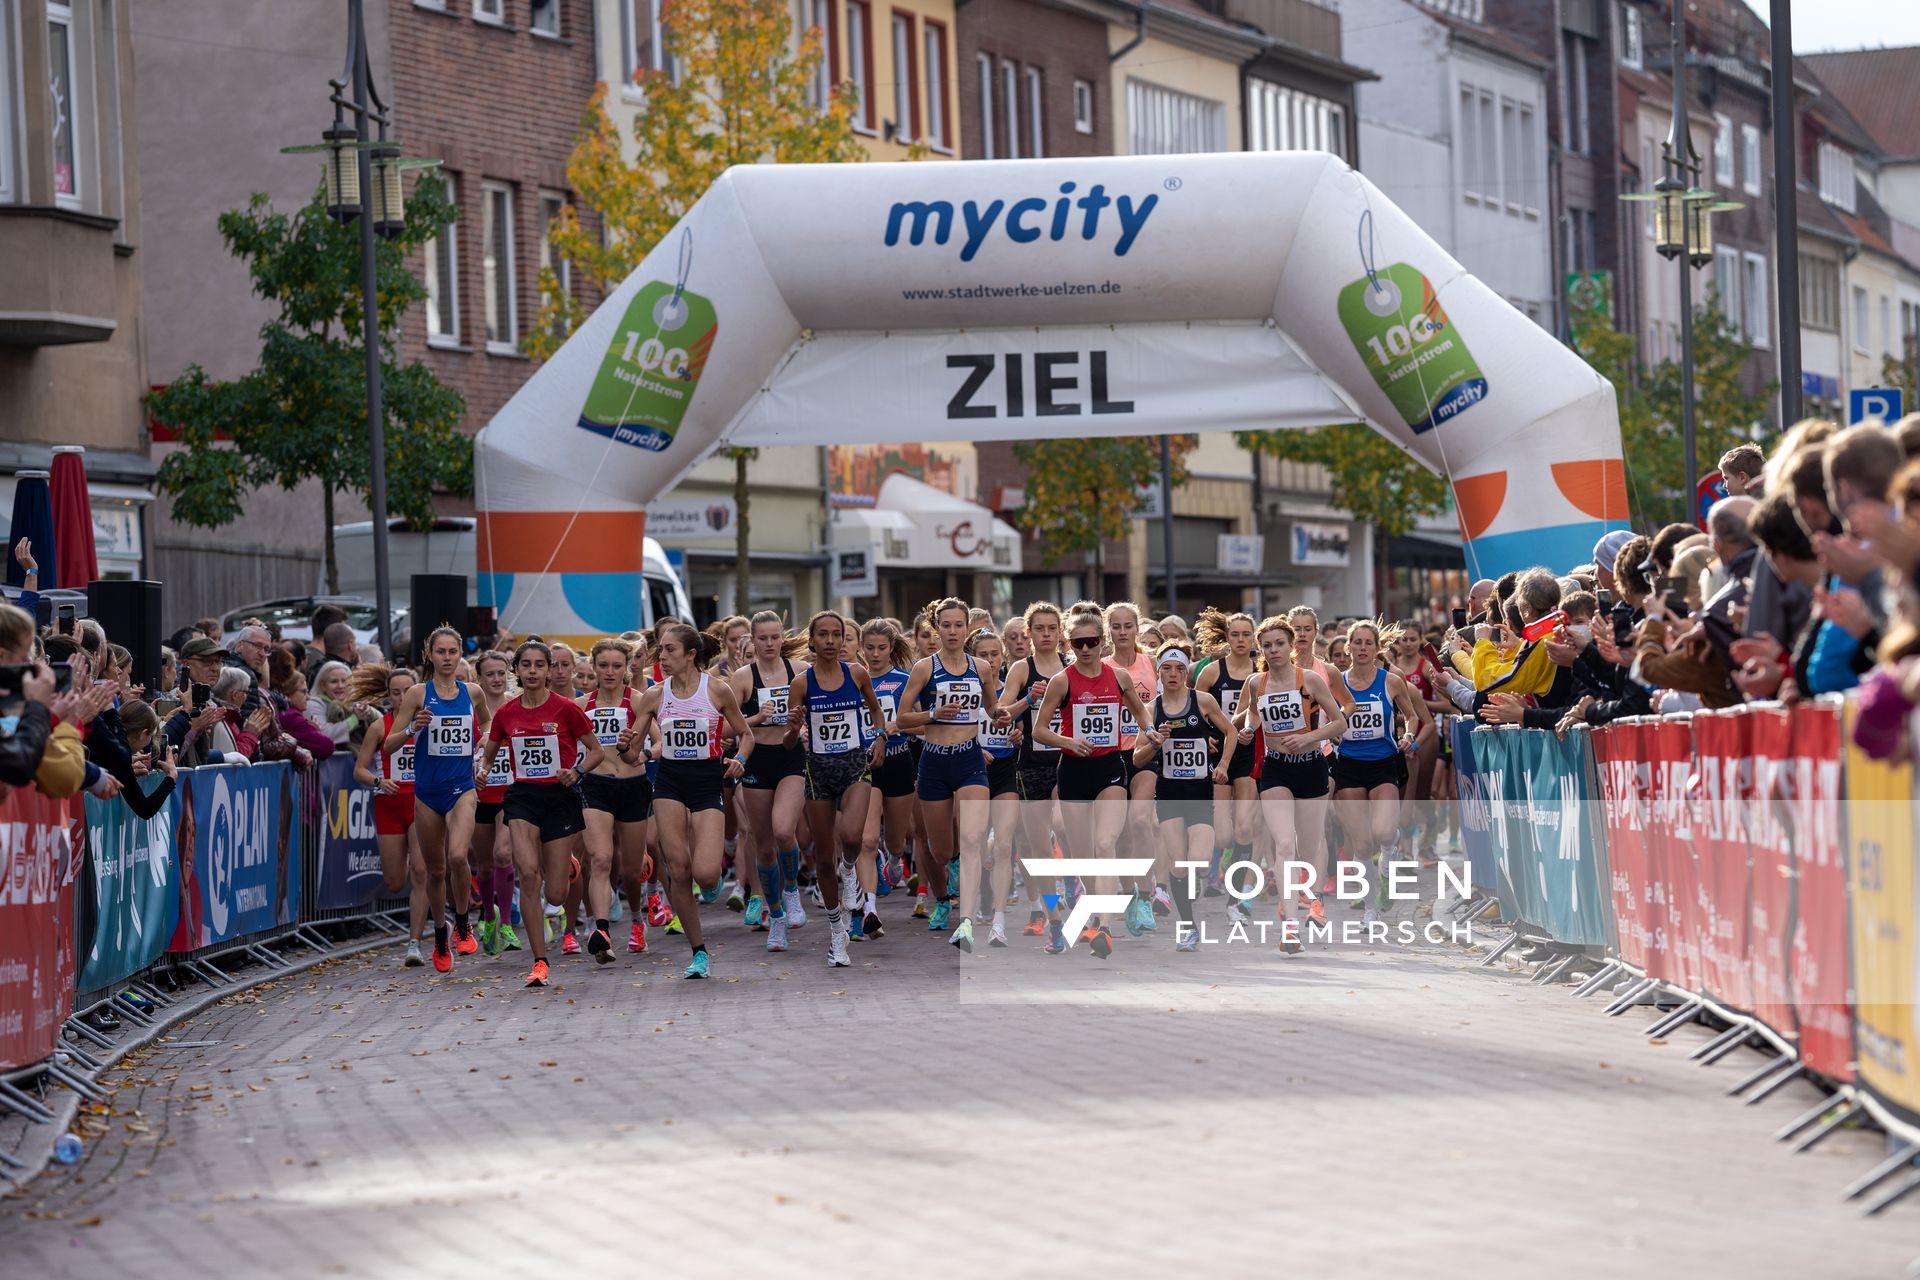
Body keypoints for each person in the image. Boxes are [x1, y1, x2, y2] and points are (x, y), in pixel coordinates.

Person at [625, 622, 752, 977]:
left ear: (691, 654)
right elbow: (632, 754)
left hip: (707, 782)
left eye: (670, 650)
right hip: (669, 783)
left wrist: (740, 760)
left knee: (707, 874)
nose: (662, 657)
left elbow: (746, 735)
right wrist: (626, 745)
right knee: (678, 869)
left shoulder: (717, 691)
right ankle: (699, 952)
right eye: (661, 650)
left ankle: (718, 872)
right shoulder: (654, 696)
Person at [477, 641, 604, 988]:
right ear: (517, 670)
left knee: (557, 895)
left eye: (539, 665)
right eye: (526, 665)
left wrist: (576, 772)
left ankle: (568, 868)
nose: (532, 671)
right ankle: (539, 961)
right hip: (522, 798)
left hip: (560, 796)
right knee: (529, 875)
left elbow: (596, 751)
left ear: (549, 670)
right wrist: (483, 770)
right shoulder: (506, 713)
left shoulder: (565, 709)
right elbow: (488, 754)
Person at [1030, 609, 1152, 958]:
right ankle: (1086, 899)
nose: (1085, 649)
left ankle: (1104, 927)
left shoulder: (1118, 677)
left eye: (1092, 642)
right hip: (1073, 772)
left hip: (1110, 768)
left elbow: (1140, 709)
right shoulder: (1062, 681)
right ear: (1069, 643)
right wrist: (1068, 742)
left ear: (1103, 642)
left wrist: (1149, 730)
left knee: (1106, 843)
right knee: (1084, 857)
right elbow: (1040, 730)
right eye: (1078, 643)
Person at [896, 598, 1005, 950]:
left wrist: (1002, 715)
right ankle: (943, 897)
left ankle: (967, 921)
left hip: (970, 759)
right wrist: (933, 713)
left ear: (968, 628)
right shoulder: (924, 669)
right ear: (937, 627)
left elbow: (991, 707)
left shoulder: (981, 668)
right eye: (947, 625)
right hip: (934, 762)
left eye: (960, 625)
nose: (954, 631)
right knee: (940, 850)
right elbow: (901, 719)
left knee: (973, 839)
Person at [784, 611, 889, 964]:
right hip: (817, 771)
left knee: (852, 837)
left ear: (844, 640)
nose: (830, 641)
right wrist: (793, 727)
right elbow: (788, 741)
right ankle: (836, 933)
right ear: (812, 641)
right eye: (823, 636)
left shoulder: (856, 674)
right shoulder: (802, 683)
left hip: (855, 765)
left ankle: (851, 871)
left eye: (837, 635)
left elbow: (875, 712)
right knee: (823, 858)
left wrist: (880, 739)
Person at [384, 626, 488, 971]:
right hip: (427, 793)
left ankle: (462, 923)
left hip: (462, 788)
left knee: (458, 856)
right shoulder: (417, 693)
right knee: (434, 870)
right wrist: (414, 727)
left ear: (461, 654)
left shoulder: (472, 692)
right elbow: (390, 744)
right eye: (440, 652)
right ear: (429, 655)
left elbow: (489, 727)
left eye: (452, 652)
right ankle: (440, 937)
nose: (447, 658)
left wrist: (482, 751)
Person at [1239, 617, 1346, 941]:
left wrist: (1309, 736)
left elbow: (1339, 722)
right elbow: (1252, 712)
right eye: (1267, 645)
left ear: (1291, 645)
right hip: (1276, 769)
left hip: (1311, 765)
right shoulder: (1256, 683)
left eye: (1279, 644)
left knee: (1309, 847)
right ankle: (1289, 928)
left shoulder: (1310, 679)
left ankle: (1312, 899)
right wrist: (1248, 728)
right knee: (1284, 845)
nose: (1273, 650)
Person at [1131, 640, 1236, 950]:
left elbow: (1230, 732)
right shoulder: (1151, 709)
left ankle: (1192, 896)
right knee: (1178, 865)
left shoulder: (1202, 701)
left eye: (1179, 668)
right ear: (1159, 672)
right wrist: (1155, 742)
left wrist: (1224, 765)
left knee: (1198, 863)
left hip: (1200, 792)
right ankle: (1189, 928)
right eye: (1167, 669)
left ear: (1187, 672)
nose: (1173, 674)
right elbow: (1136, 758)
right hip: (1169, 794)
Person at [1332, 621, 1430, 925]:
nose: (1362, 648)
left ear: (1377, 648)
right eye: (1356, 643)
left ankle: (1391, 853)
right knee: (1361, 844)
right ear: (1348, 648)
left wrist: (1409, 736)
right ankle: (1371, 908)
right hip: (1348, 764)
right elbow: (1326, 717)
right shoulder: (1337, 684)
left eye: (1367, 643)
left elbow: (1412, 716)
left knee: (1385, 833)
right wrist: (1331, 733)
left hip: (1384, 762)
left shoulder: (1391, 681)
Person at [731, 611, 807, 932]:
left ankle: (791, 889)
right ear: (753, 640)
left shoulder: (800, 672)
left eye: (775, 637)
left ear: (782, 637)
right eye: (762, 638)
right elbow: (725, 727)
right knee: (763, 847)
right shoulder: (743, 678)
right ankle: (774, 915)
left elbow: (819, 713)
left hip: (790, 757)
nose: (770, 643)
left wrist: (804, 729)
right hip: (758, 761)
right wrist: (756, 719)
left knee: (783, 832)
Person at [996, 602, 1067, 941]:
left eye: (1052, 628)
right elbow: (1001, 712)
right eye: (1039, 629)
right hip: (1031, 765)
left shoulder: (1072, 666)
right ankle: (1052, 916)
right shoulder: (1022, 669)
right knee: (1038, 847)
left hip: (1069, 761)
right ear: (1030, 633)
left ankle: (1076, 885)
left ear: (1060, 632)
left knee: (1061, 826)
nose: (1046, 634)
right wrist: (1027, 699)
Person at [579, 638, 653, 958]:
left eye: (616, 666)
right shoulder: (582, 706)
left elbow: (661, 743)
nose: (609, 672)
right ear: (594, 667)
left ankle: (637, 919)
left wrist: (644, 754)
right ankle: (602, 932)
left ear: (627, 668)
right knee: (600, 860)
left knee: (631, 869)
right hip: (596, 786)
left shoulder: (638, 701)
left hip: (633, 787)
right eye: (603, 665)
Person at [350, 664, 428, 965]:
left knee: (420, 872)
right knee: (395, 881)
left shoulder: (429, 723)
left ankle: (414, 942)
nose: (400, 698)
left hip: (421, 803)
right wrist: (380, 781)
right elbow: (359, 769)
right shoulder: (381, 726)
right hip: (389, 804)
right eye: (395, 693)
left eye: (406, 692)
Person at [1194, 609, 1261, 906]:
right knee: (1222, 836)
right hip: (1218, 752)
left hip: (1250, 752)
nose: (1241, 639)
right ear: (1227, 636)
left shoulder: (1262, 671)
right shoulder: (1211, 672)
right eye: (1235, 634)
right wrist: (1204, 736)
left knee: (1244, 826)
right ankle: (1228, 858)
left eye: (1247, 634)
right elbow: (1193, 710)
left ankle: (1240, 889)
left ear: (1254, 637)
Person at [855, 618, 917, 942]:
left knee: (895, 841)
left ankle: (893, 860)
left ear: (891, 648)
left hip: (898, 762)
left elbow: (922, 725)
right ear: (860, 648)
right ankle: (870, 910)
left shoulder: (905, 680)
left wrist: (899, 726)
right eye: (870, 648)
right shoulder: (852, 680)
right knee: (866, 840)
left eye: (882, 648)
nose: (875, 654)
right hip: (866, 769)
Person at [963, 626, 1022, 948]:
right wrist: (975, 747)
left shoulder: (1009, 690)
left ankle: (999, 921)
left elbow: (1022, 727)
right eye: (983, 655)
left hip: (1006, 771)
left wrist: (1017, 736)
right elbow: (954, 730)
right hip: (974, 770)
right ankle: (982, 897)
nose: (990, 659)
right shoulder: (967, 690)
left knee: (1002, 844)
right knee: (974, 843)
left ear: (1003, 656)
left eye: (994, 654)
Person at [469, 650, 523, 954]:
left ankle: (505, 924)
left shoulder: (516, 707)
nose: (496, 679)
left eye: (502, 673)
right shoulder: (470, 710)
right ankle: (488, 915)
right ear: (479, 678)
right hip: (478, 796)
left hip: (510, 793)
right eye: (490, 674)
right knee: (485, 865)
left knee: (503, 855)